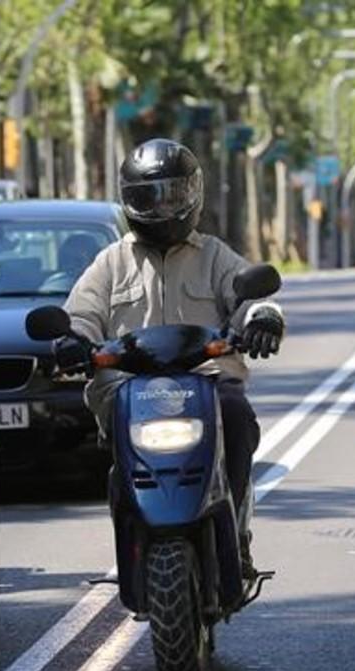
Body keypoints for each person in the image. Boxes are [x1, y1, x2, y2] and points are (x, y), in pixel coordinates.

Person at [64, 138, 285, 576]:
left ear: (194, 193)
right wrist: (72, 340)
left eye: (174, 194)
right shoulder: (110, 262)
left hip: (206, 383)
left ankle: (236, 530)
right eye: (150, 196)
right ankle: (131, 533)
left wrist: (263, 319)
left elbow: (250, 296)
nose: (163, 208)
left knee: (237, 415)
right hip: (129, 390)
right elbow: (81, 313)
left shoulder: (215, 255)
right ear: (129, 200)